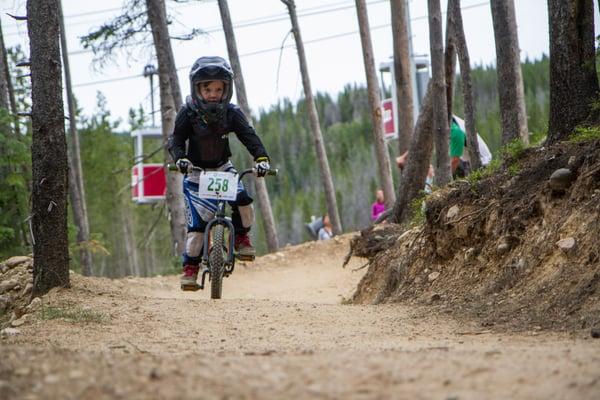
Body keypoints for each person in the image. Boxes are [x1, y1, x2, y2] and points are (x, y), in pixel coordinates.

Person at [167, 56, 271, 289]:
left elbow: (249, 136)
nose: (213, 94)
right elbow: (175, 139)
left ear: (226, 89)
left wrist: (262, 158)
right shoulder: (188, 112)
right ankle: (190, 270)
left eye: (218, 88)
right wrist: (180, 159)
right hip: (195, 172)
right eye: (208, 89)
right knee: (197, 230)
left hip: (223, 168)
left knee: (244, 203)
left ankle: (242, 238)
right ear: (197, 89)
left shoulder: (231, 113)